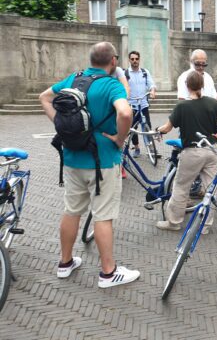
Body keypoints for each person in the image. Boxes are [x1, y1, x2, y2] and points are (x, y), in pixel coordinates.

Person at [38, 42, 140, 288]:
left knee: (71, 210)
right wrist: (120, 138)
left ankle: (65, 263)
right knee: (103, 216)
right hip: (103, 161)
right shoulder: (111, 85)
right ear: (113, 61)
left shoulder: (74, 79)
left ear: (91, 59)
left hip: (72, 157)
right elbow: (125, 113)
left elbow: (44, 97)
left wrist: (61, 126)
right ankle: (108, 273)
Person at [156, 71, 217, 233]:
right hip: (212, 151)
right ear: (203, 85)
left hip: (192, 152)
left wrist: (157, 130)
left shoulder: (182, 106)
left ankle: (174, 222)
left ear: (186, 86)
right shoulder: (212, 103)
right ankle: (205, 226)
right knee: (210, 189)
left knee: (181, 186)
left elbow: (167, 128)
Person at [125, 50, 157, 157]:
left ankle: (151, 149)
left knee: (147, 126)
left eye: (136, 59)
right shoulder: (126, 73)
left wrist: (152, 91)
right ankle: (137, 148)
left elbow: (151, 84)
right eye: (132, 59)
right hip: (131, 106)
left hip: (143, 105)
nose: (135, 61)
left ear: (139, 59)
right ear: (129, 60)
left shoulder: (144, 72)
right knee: (133, 129)